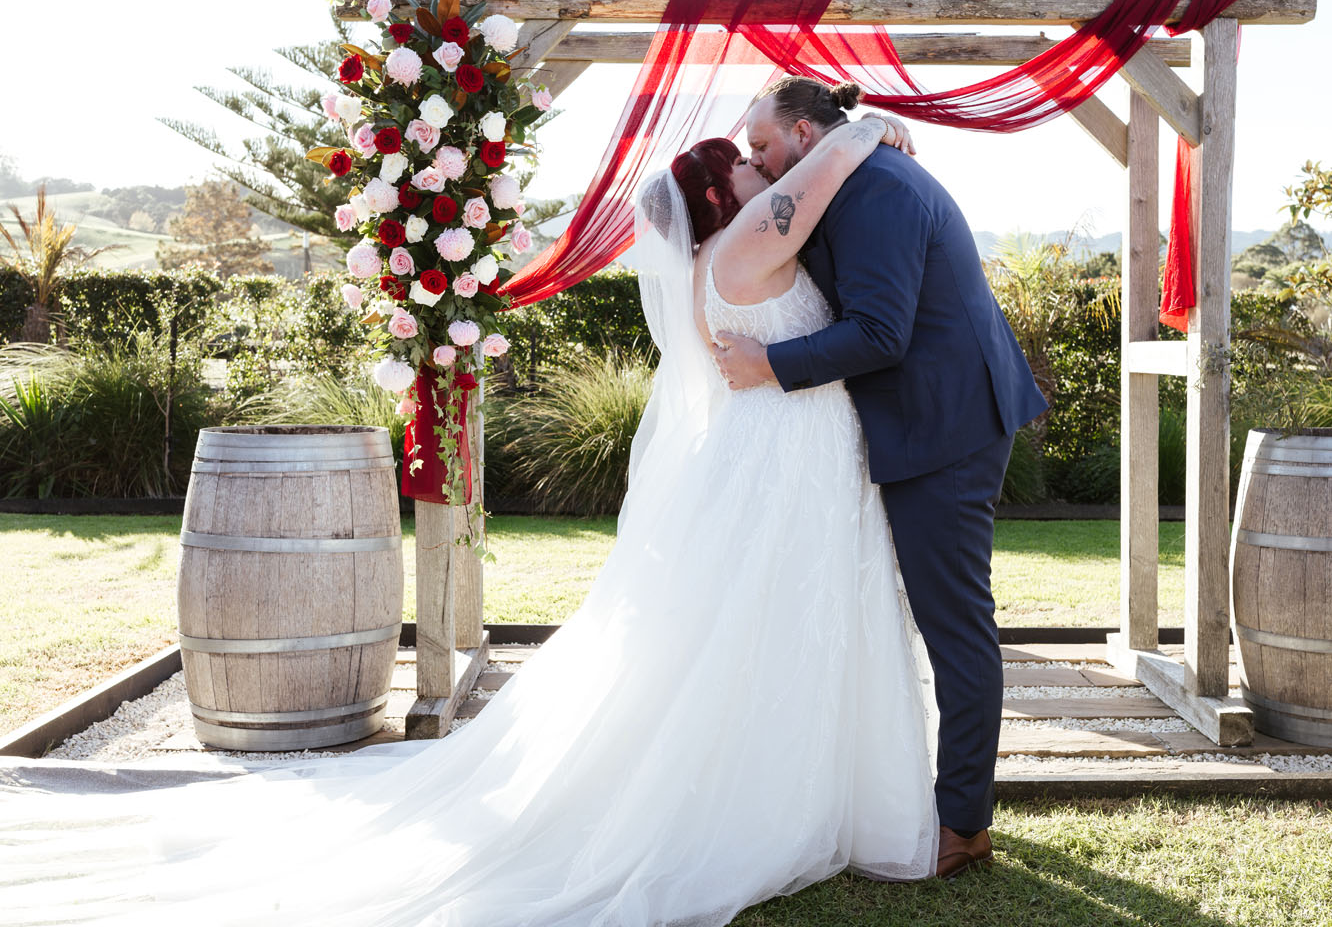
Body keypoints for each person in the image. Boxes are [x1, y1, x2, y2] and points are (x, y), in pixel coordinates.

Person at [0, 112, 944, 927]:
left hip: (785, 458)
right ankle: (769, 797)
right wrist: (858, 132)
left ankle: (793, 787)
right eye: (744, 165)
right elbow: (819, 187)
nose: (761, 168)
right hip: (784, 461)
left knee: (768, 625)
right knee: (773, 621)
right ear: (712, 195)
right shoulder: (745, 245)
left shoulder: (715, 258)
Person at [715, 76, 1049, 879]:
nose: (754, 163)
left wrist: (768, 364)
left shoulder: (875, 191)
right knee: (940, 622)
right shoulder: (850, 175)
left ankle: (963, 826)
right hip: (924, 422)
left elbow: (879, 332)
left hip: (947, 429)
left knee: (955, 627)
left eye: (760, 146)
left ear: (802, 134)